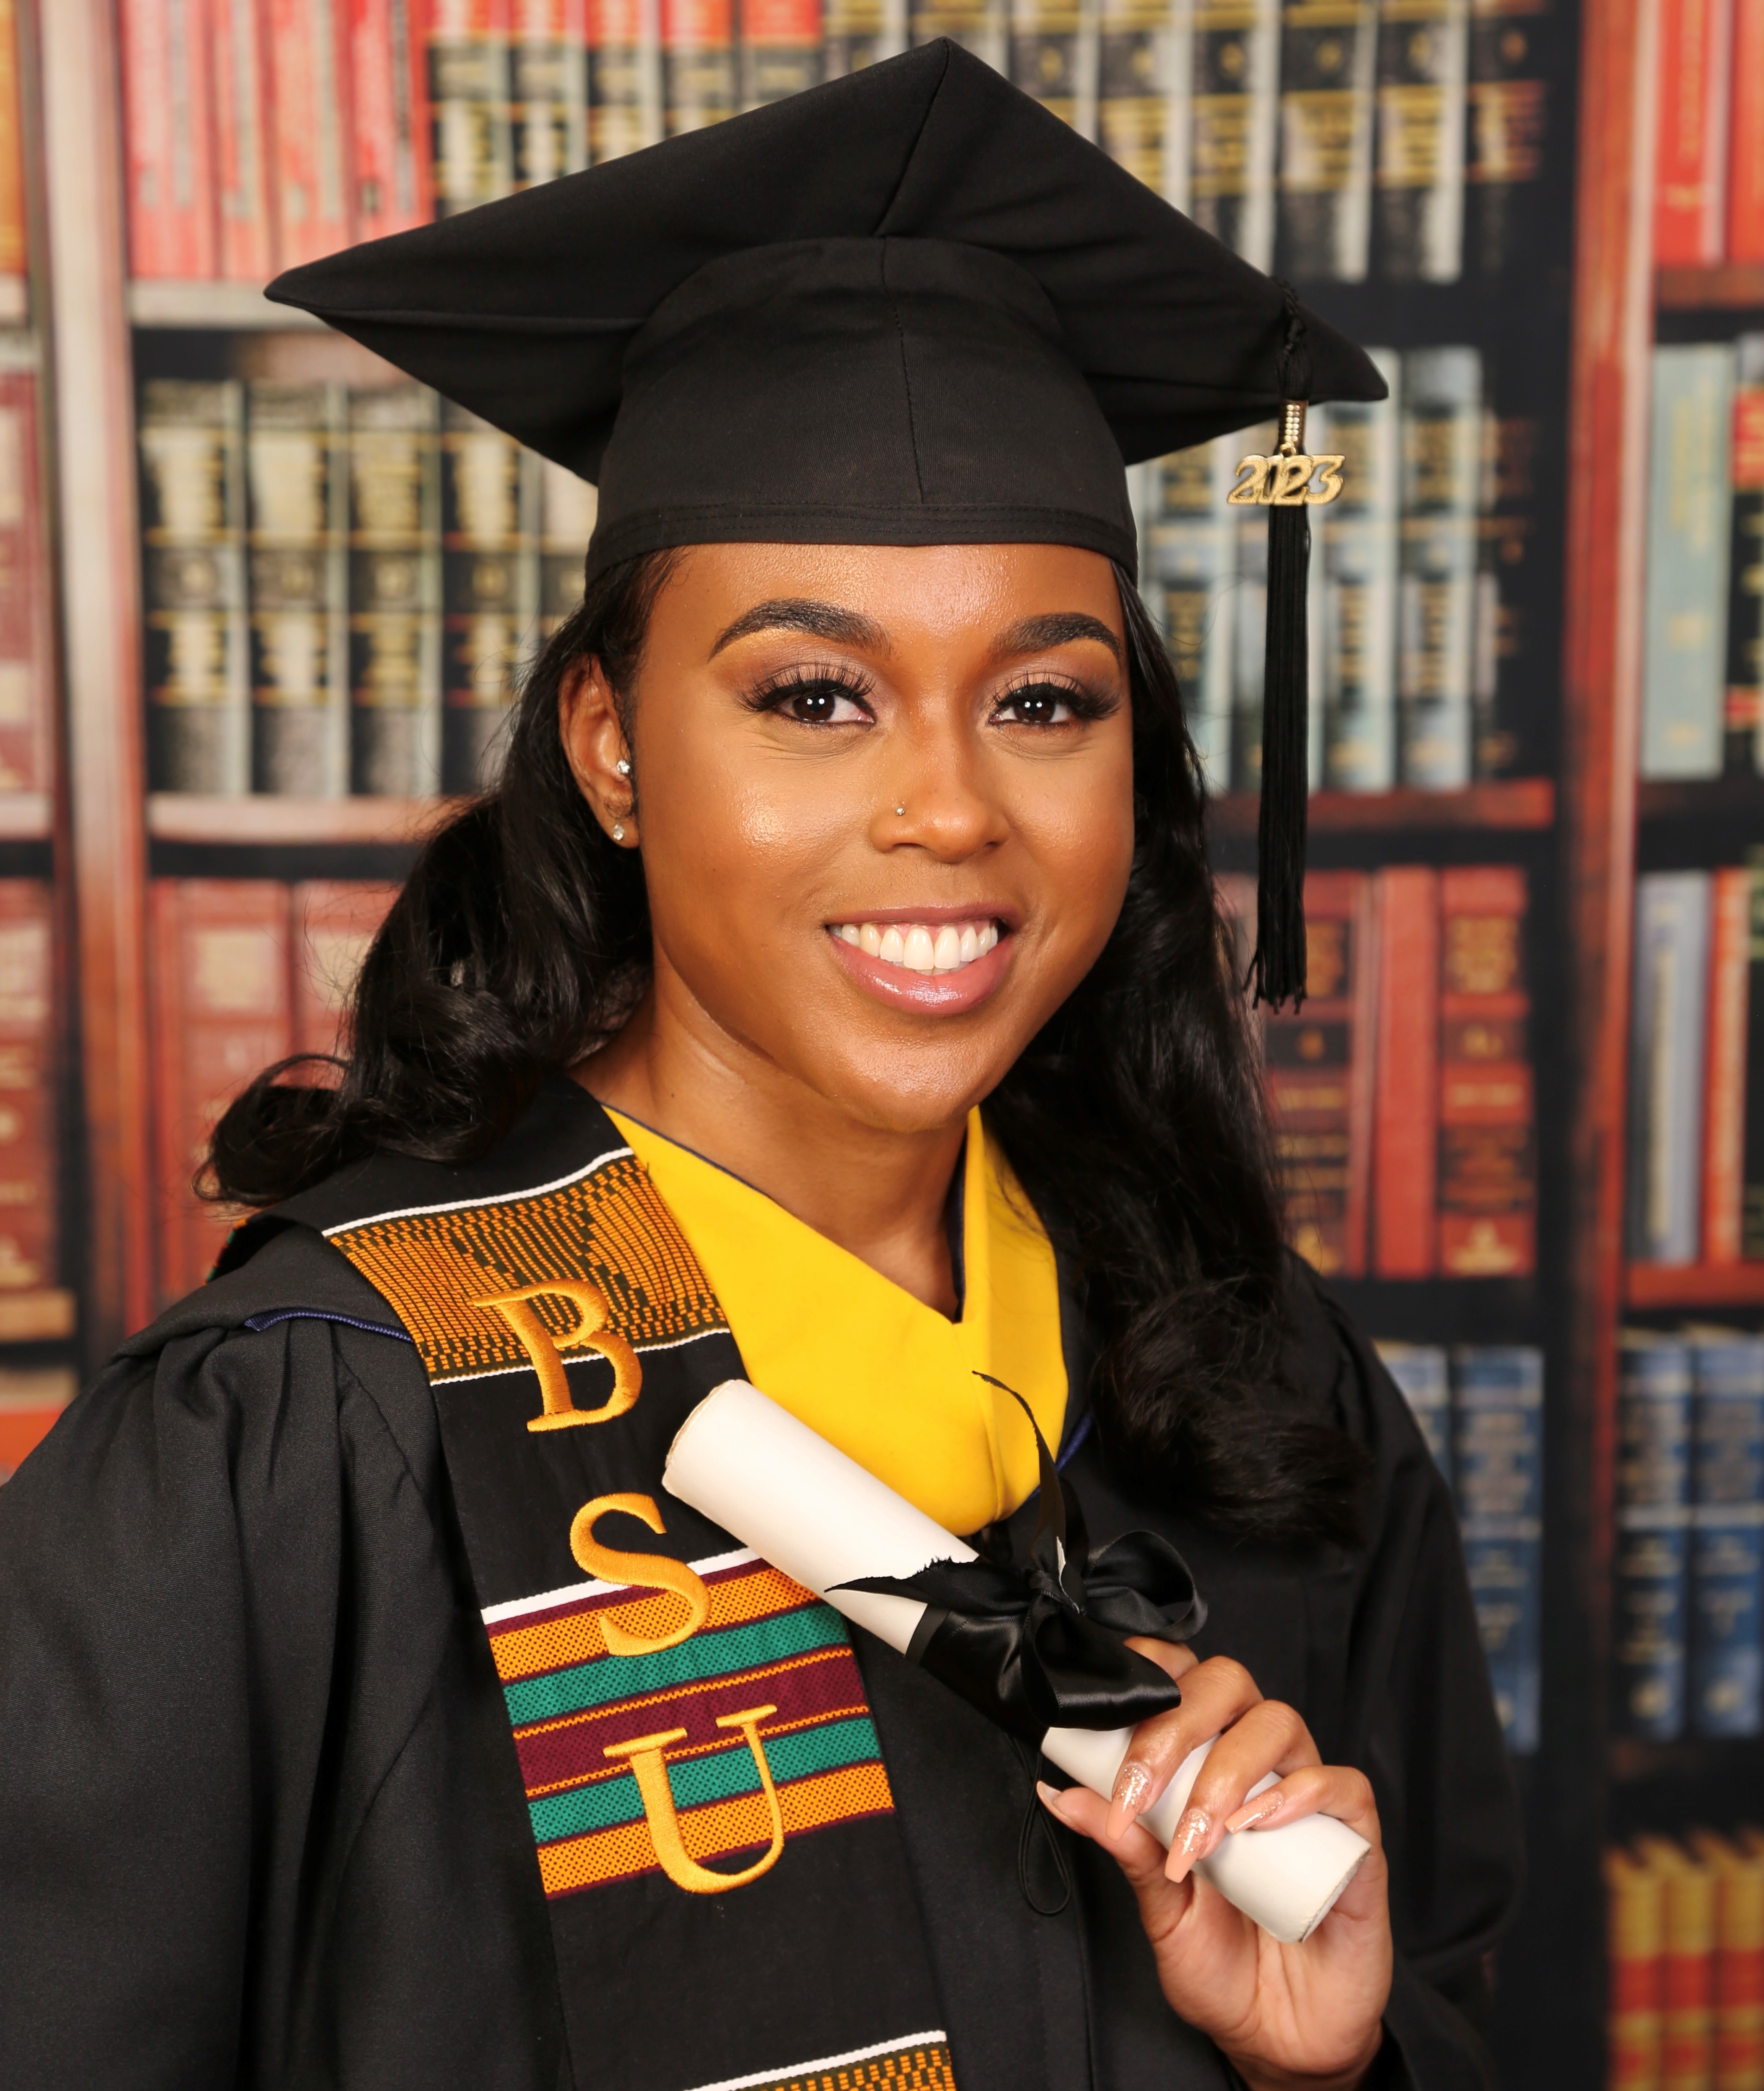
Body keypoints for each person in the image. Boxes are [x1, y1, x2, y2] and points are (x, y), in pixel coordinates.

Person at [0, 43, 1520, 2091]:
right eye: (815, 695)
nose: (951, 810)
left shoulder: (1249, 1381)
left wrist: (1320, 2068)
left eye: (1045, 702)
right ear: (612, 746)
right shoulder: (315, 1433)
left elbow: (1468, 1990)